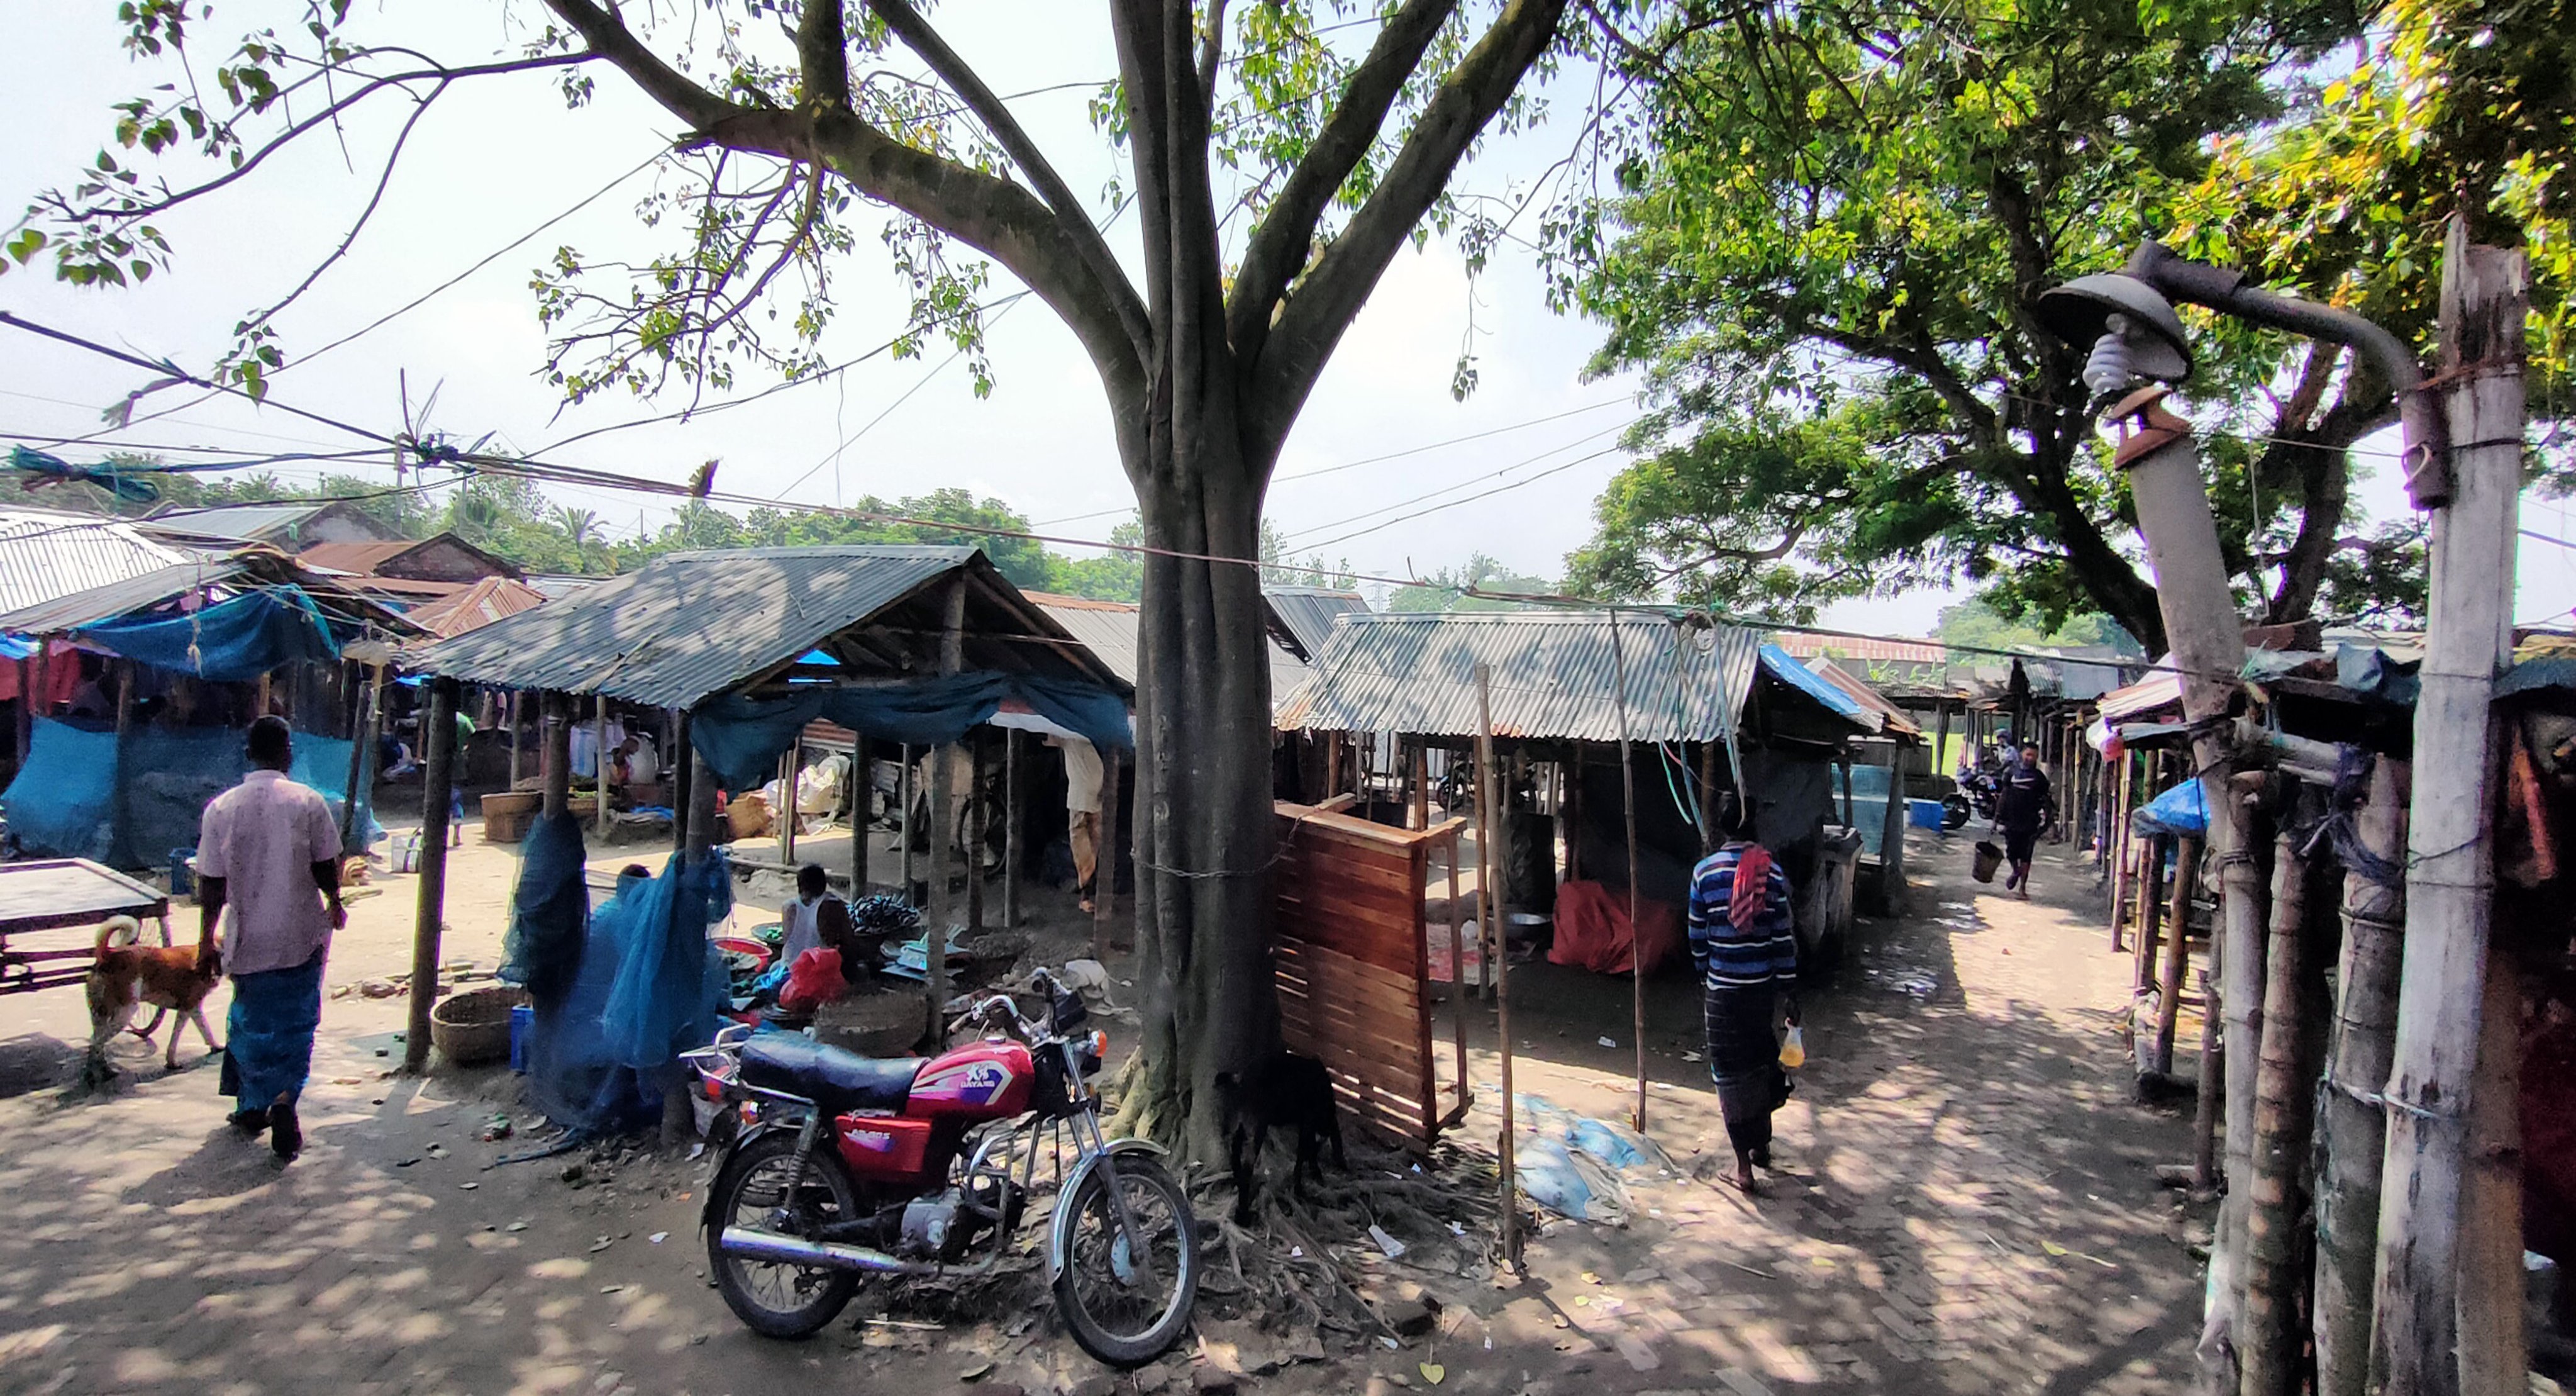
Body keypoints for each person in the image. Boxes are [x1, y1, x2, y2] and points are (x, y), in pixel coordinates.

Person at [197, 715, 347, 1161]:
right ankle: (282, 1099)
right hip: (300, 933)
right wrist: (335, 900)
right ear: (288, 751)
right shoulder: (308, 801)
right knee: (297, 1023)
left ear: (248, 753)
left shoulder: (221, 808)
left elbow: (210, 882)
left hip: (248, 940)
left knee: (250, 1022)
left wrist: (206, 938)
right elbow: (326, 864)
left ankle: (252, 1104)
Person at [1685, 798, 1799, 1194]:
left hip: (1723, 996)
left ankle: (1742, 1169)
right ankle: (1761, 1147)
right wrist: (1789, 991)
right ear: (1755, 830)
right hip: (1760, 994)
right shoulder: (1773, 875)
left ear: (1722, 829)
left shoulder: (1704, 874)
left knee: (1730, 1077)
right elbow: (1783, 940)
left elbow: (1697, 938)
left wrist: (1707, 974)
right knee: (1760, 1066)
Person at [1048, 735, 1106, 913]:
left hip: (1095, 801)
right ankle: (1086, 895)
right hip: (1080, 802)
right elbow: (1049, 738)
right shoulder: (1069, 736)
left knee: (1093, 849)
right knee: (1084, 851)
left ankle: (1089, 893)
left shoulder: (1095, 738)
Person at [1994, 740, 2053, 898]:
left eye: (2033, 756)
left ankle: (2023, 888)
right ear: (2022, 754)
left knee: (2026, 856)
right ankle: (2016, 871)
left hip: (2030, 822)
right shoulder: (2012, 773)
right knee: (2012, 853)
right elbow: (2003, 796)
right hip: (2011, 820)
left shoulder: (2039, 779)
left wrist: (2047, 823)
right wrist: (1997, 818)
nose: (2030, 758)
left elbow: (2046, 802)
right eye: (2028, 754)